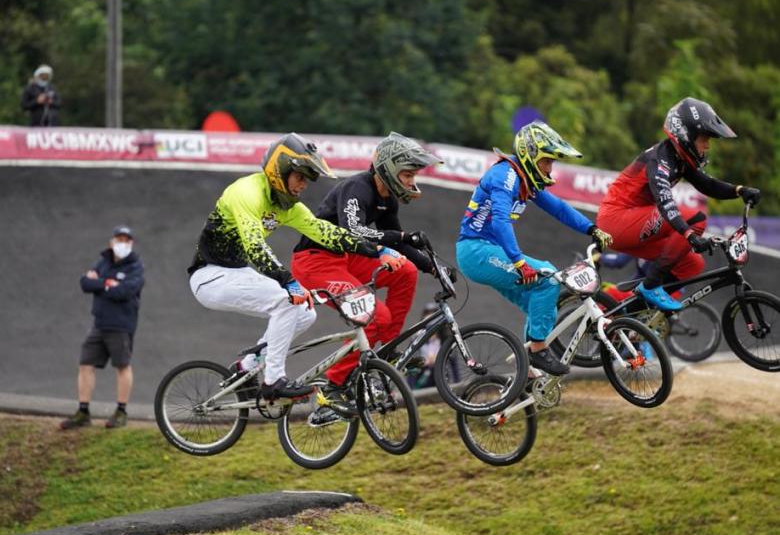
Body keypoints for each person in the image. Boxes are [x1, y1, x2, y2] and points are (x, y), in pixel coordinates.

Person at [187, 132, 403, 400]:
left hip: (237, 272)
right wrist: (288, 281)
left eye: (307, 180)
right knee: (288, 300)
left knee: (306, 311)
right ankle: (273, 380)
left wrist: (377, 249)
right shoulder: (247, 192)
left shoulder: (290, 207)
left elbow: (327, 233)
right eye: (300, 177)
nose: (303, 185)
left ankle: (248, 366)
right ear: (281, 170)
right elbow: (255, 246)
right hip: (209, 275)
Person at [290, 132, 447, 418]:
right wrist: (399, 237)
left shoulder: (388, 199)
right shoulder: (356, 187)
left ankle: (386, 350)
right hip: (315, 263)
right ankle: (334, 384)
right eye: (408, 175)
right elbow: (354, 230)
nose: (413, 182)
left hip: (346, 258)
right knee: (376, 316)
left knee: (406, 272)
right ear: (387, 169)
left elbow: (398, 244)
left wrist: (432, 266)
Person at [456, 121, 612, 376]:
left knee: (541, 303)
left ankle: (526, 373)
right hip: (477, 251)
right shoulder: (505, 176)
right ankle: (538, 350)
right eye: (547, 162)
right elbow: (500, 220)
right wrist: (519, 261)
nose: (550, 169)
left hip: (492, 252)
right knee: (549, 279)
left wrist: (591, 229)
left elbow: (559, 208)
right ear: (530, 156)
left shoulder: (526, 180)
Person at [596, 97, 761, 311]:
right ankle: (651, 285)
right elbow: (666, 203)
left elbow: (708, 185)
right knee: (696, 218)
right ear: (686, 135)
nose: (707, 146)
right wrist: (689, 234)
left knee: (692, 264)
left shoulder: (679, 159)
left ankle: (630, 309)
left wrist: (739, 191)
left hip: (633, 223)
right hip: (615, 221)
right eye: (704, 139)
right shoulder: (660, 160)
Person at [60, 226, 144, 429]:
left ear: (131, 243)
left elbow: (125, 291)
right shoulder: (104, 262)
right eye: (119, 239)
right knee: (85, 364)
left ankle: (121, 411)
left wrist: (98, 283)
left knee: (122, 366)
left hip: (121, 326)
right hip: (99, 324)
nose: (122, 243)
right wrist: (107, 282)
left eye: (126, 240)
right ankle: (83, 411)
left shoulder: (135, 266)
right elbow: (84, 283)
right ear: (111, 241)